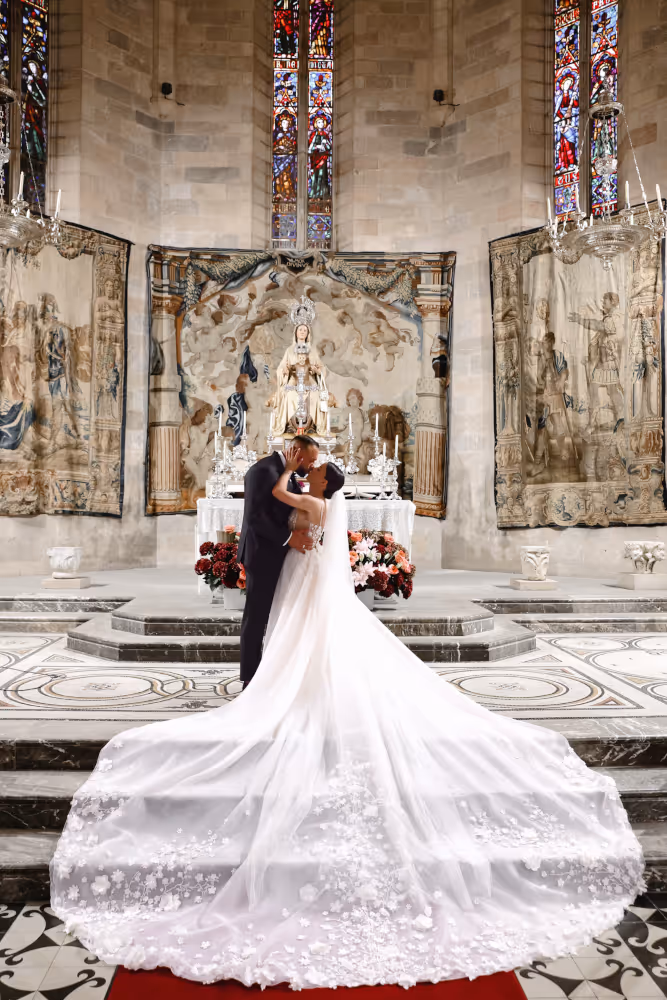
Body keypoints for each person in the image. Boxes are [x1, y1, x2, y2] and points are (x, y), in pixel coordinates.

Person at [50, 451, 644, 989]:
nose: (310, 477)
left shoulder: (310, 499)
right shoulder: (328, 504)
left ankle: (295, 693)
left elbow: (282, 499)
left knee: (306, 648)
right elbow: (297, 519)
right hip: (316, 591)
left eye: (318, 474)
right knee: (314, 643)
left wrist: (289, 468)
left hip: (309, 592)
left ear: (326, 483)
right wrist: (304, 466)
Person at [238, 434, 319, 687]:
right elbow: (255, 517)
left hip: (279, 554)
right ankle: (249, 679)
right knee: (257, 618)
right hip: (262, 554)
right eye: (311, 460)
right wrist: (289, 538)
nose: (313, 466)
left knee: (277, 617)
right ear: (297, 452)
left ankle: (272, 673)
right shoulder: (262, 470)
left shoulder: (287, 472)